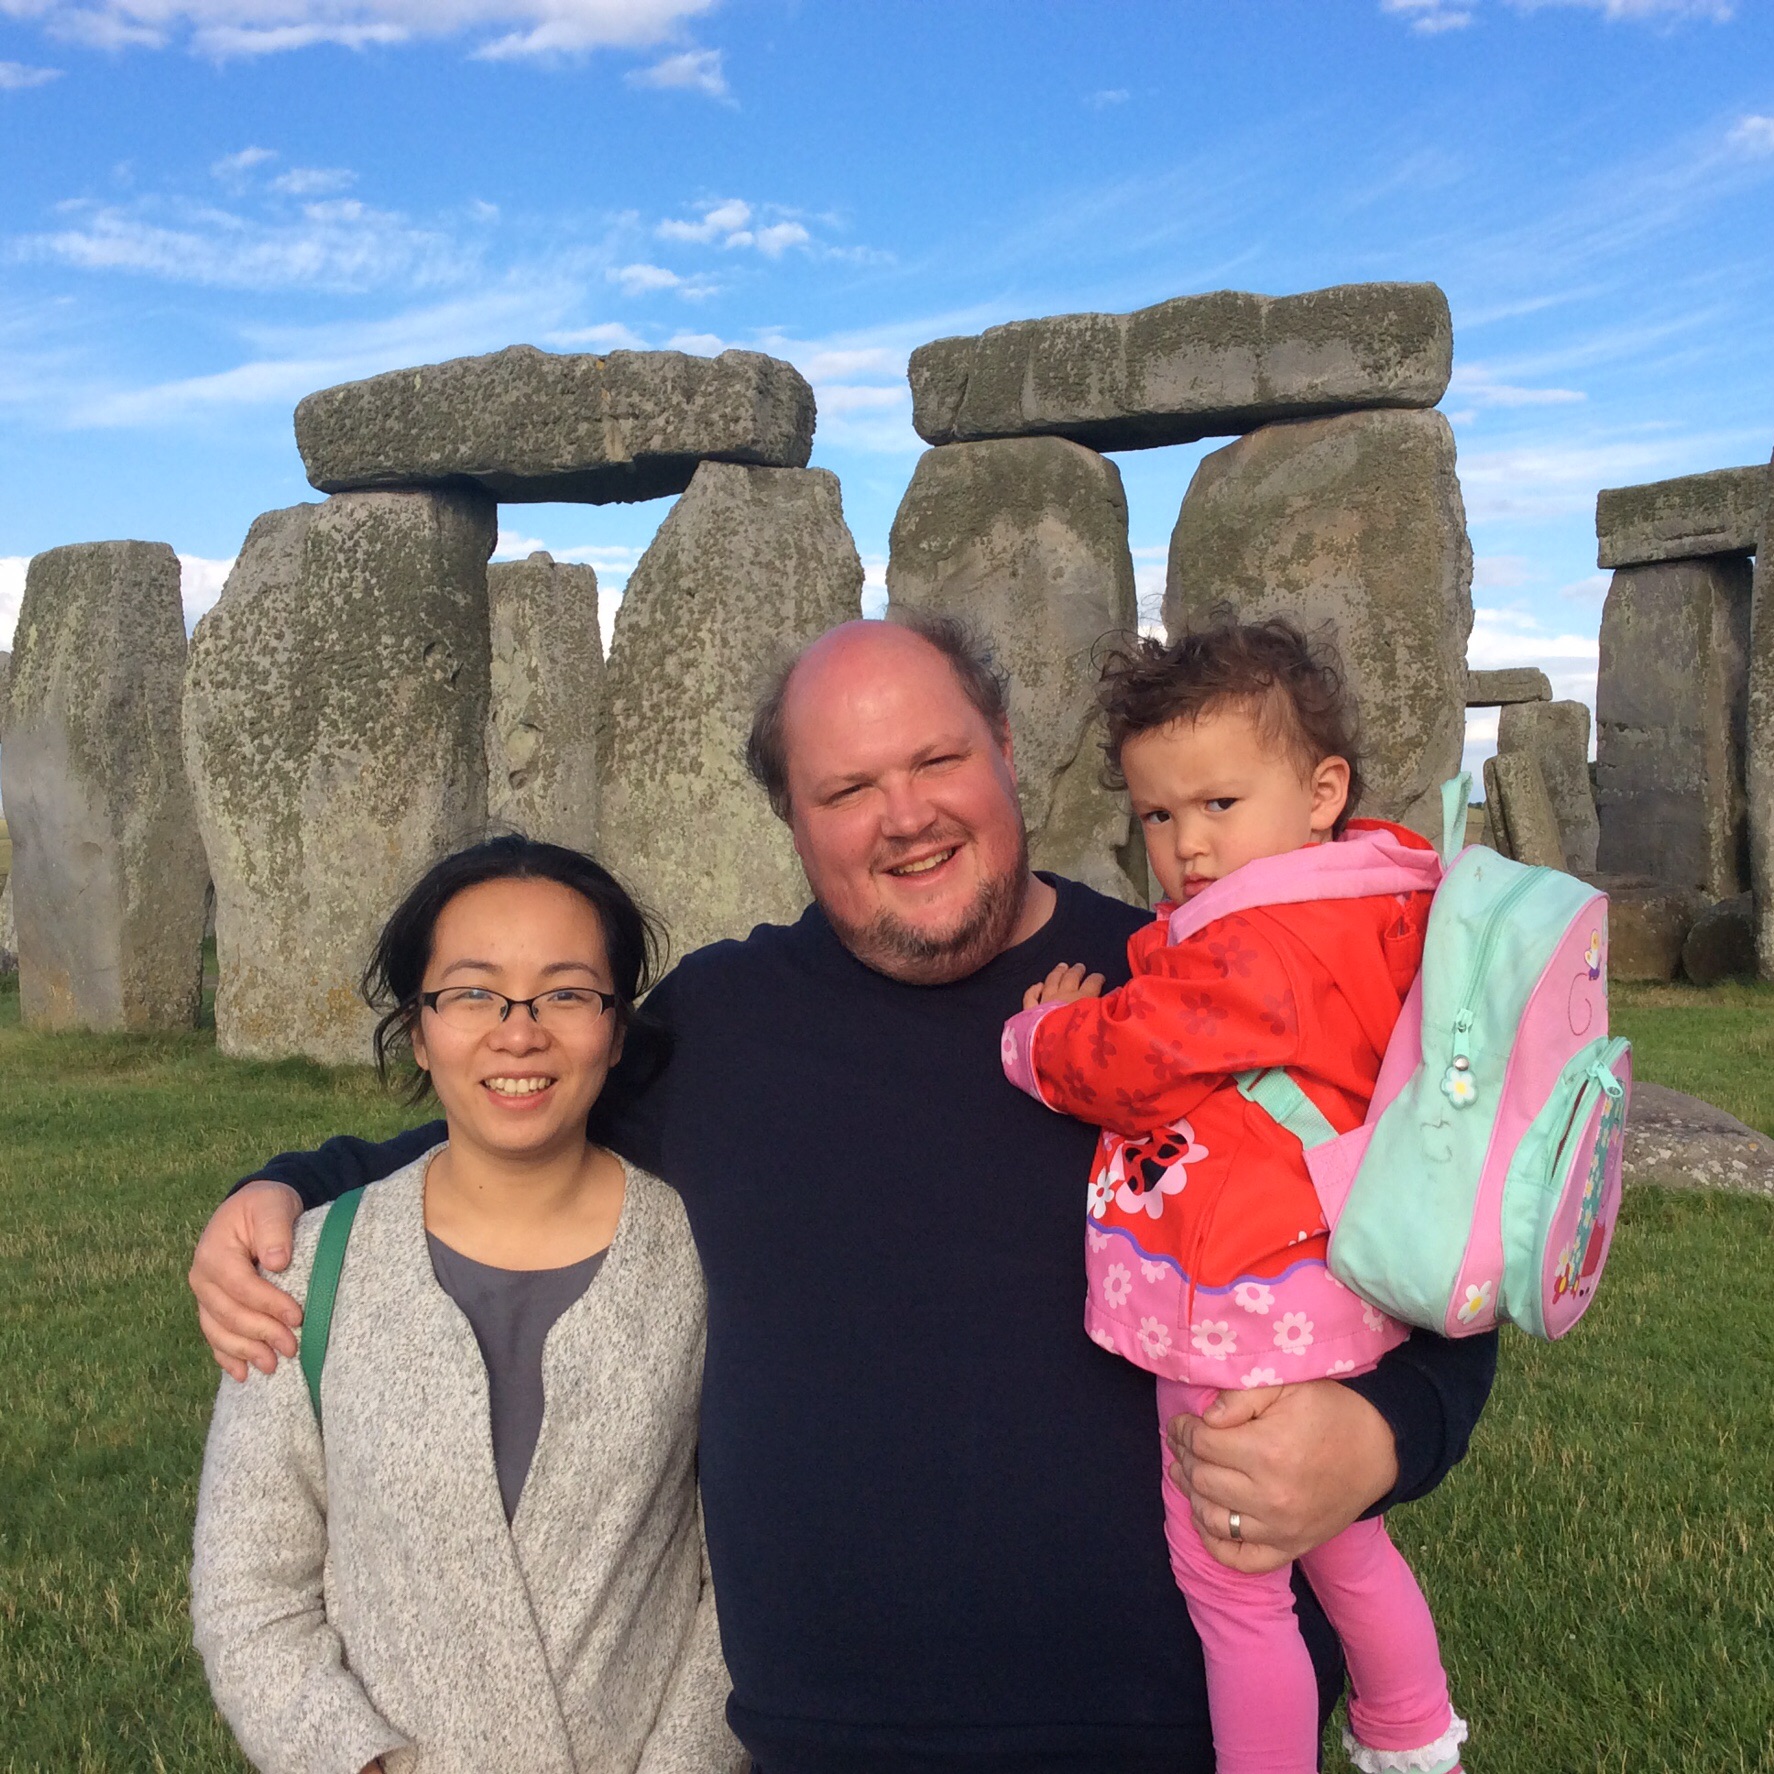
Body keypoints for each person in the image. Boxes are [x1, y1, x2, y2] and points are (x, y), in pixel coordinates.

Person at [189, 613, 1498, 1774]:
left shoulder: (1201, 981)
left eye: (935, 760)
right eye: (847, 788)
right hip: (815, 1737)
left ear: (1004, 749)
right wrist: (292, 1186)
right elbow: (519, 1109)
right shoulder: (722, 1023)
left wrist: (1383, 1433)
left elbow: (1447, 1258)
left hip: (1174, 1728)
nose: (904, 815)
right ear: (791, 819)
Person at [1001, 620, 1465, 1774]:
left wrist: (1038, 1035)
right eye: (1158, 815)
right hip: (1325, 1283)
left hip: (1236, 1296)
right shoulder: (1376, 905)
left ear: (1322, 792)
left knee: (1232, 1584)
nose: (1188, 845)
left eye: (1218, 803)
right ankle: (1414, 1736)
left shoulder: (1255, 944)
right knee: (1348, 1547)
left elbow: (1132, 1058)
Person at [189, 837, 744, 1774]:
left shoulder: (703, 1263)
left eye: (566, 993)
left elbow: (742, 1577)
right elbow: (250, 1592)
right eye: (474, 993)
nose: (518, 1032)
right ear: (418, 1027)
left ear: (616, 1029)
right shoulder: (308, 1271)